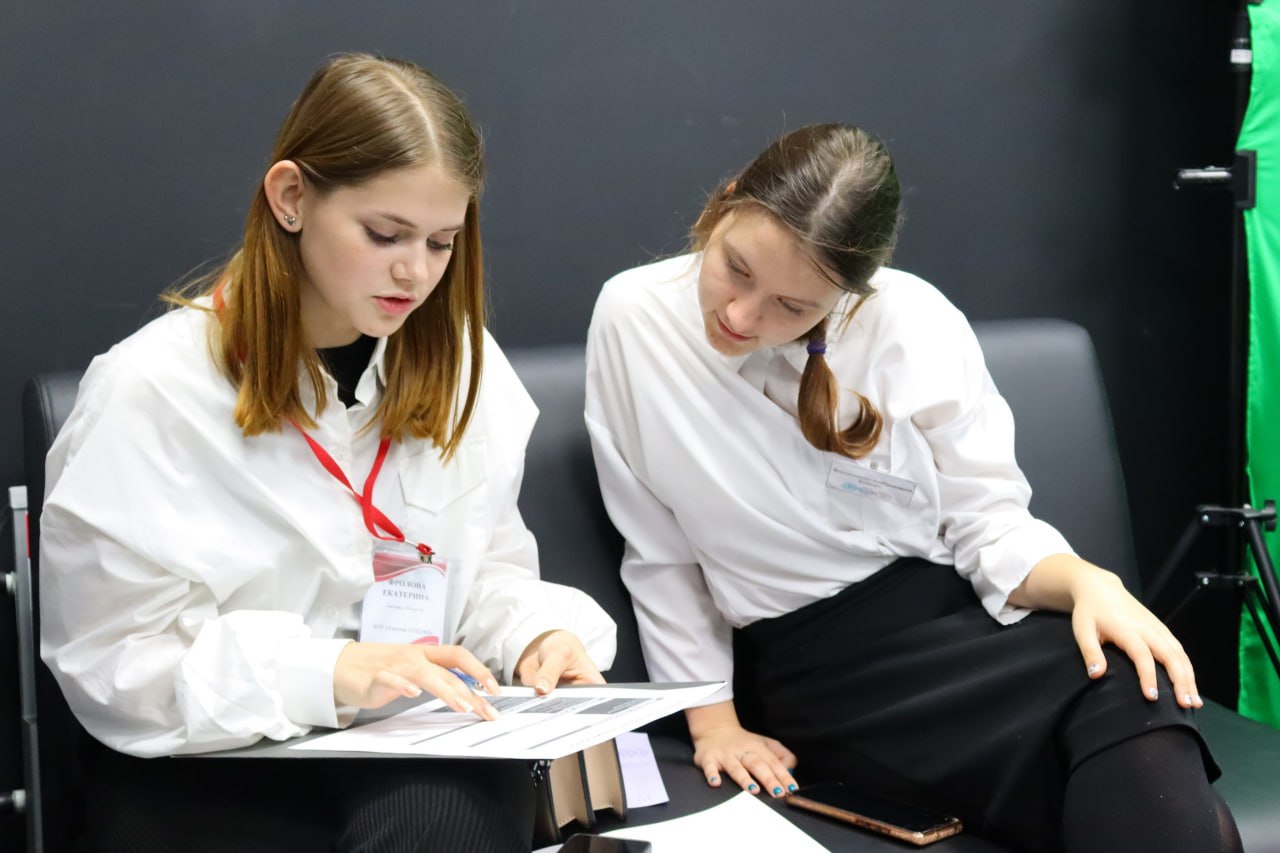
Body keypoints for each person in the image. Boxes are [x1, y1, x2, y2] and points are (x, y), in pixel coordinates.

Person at [584, 123, 1241, 852]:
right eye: (735, 268)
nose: (741, 315)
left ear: (848, 293)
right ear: (727, 202)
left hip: (961, 624)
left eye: (792, 306)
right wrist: (714, 722)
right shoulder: (633, 318)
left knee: (1126, 685)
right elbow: (659, 549)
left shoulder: (913, 320)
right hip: (818, 674)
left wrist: (1090, 582)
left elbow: (990, 523)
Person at [40, 53, 616, 853]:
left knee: (442, 821)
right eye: (384, 234)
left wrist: (535, 635)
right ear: (290, 198)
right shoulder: (152, 390)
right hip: (210, 753)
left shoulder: (461, 366)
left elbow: (484, 570)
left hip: (407, 742)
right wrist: (329, 672)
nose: (415, 272)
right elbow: (115, 662)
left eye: (442, 242)